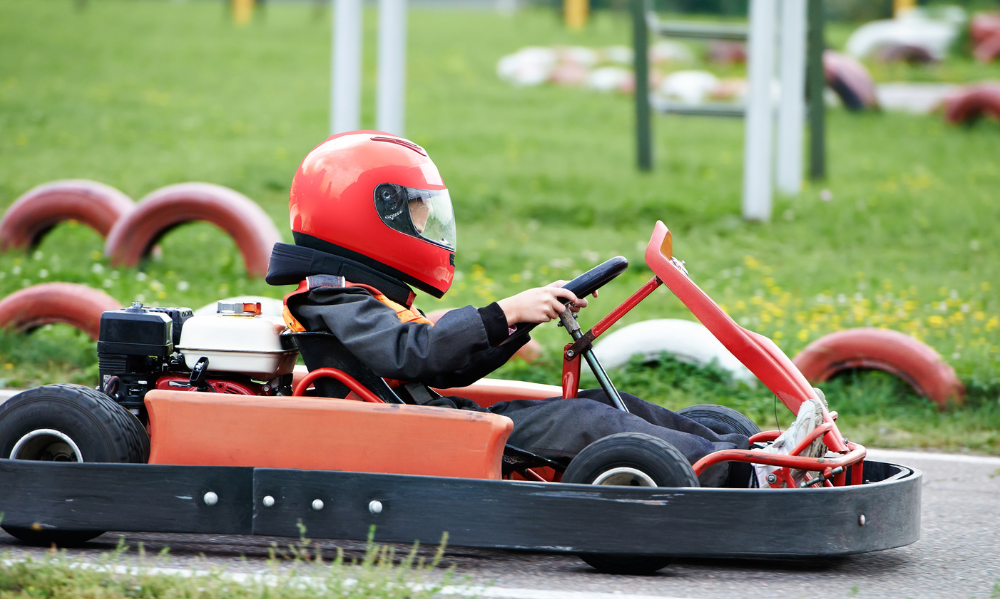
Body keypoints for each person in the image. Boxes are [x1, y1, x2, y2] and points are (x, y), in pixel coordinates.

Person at [265, 131, 826, 488]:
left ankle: (740, 452)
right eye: (413, 214)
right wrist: (503, 311)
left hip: (425, 414)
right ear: (367, 216)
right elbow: (417, 354)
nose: (422, 227)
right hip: (406, 434)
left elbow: (443, 367)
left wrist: (519, 319)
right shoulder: (330, 295)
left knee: (607, 403)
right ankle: (749, 476)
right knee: (579, 420)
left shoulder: (355, 293)